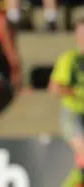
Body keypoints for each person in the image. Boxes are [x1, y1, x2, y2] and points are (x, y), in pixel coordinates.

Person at [49, 18, 84, 187]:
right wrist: (78, 94)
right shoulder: (71, 59)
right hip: (74, 115)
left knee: (81, 164)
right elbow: (55, 87)